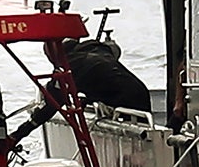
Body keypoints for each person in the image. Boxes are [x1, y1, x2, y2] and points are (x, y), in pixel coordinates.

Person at [9, 38, 152, 143]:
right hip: (140, 92)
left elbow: (52, 105)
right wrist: (89, 98)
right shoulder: (95, 48)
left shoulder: (69, 68)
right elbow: (101, 74)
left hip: (125, 101)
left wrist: (19, 134)